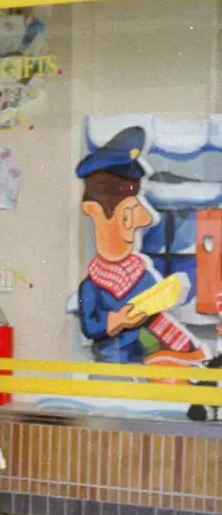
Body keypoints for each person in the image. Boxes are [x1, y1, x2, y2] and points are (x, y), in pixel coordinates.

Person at [75, 126, 206, 365]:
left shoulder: (142, 276)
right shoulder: (91, 287)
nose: (143, 221)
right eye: (127, 216)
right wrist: (118, 319)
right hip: (109, 365)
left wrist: (187, 349)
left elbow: (158, 320)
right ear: (93, 212)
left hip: (146, 360)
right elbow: (90, 326)